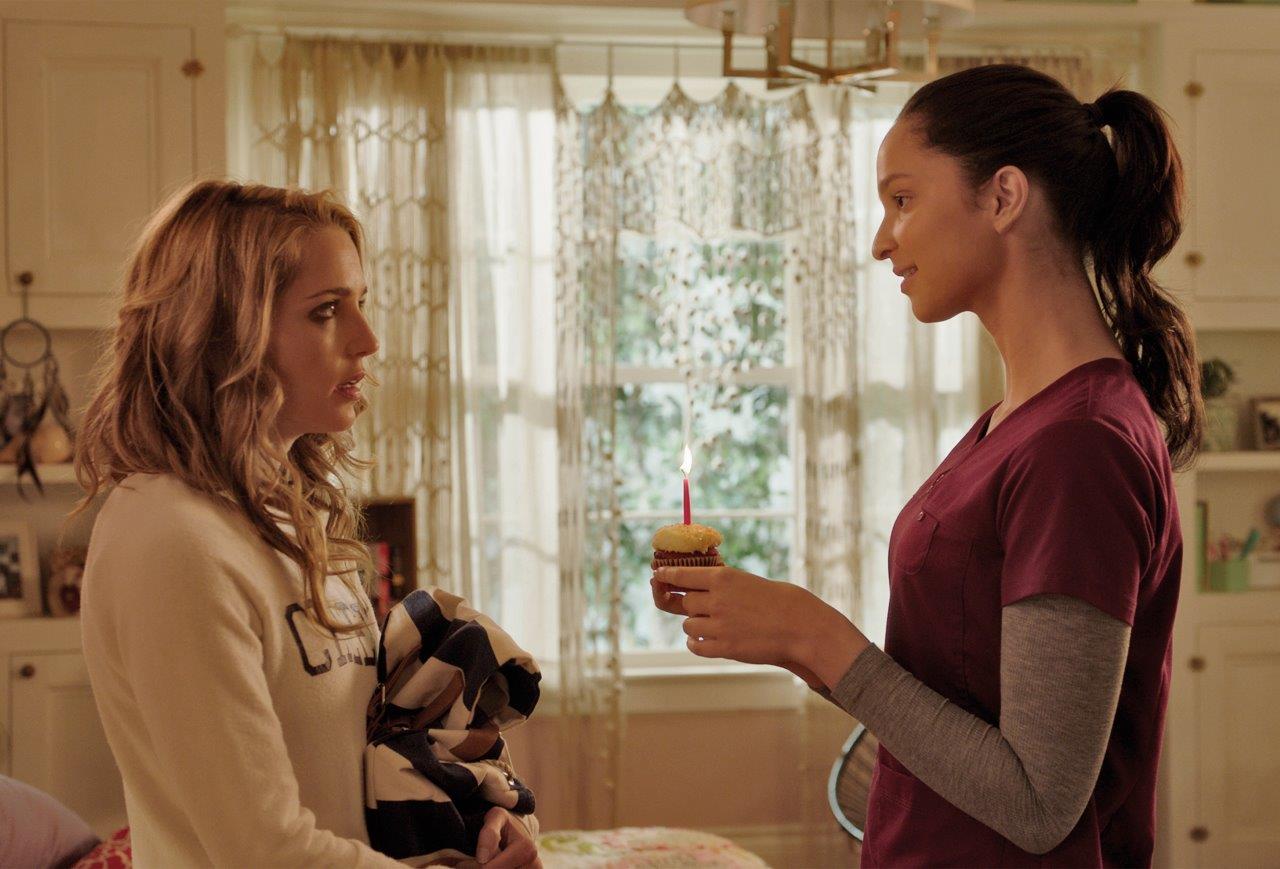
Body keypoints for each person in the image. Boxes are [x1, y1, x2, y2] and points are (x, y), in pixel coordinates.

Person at [652, 64, 1199, 868]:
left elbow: (1039, 802)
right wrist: (783, 638)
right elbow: (951, 697)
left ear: (1004, 197)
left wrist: (816, 635)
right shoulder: (1019, 421)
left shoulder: (1081, 444)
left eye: (902, 199)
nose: (882, 241)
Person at [76, 180, 540, 868]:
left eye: (360, 303)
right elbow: (261, 847)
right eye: (326, 310)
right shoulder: (172, 538)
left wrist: (476, 819)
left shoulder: (294, 514)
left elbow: (358, 762)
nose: (368, 340)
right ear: (222, 330)